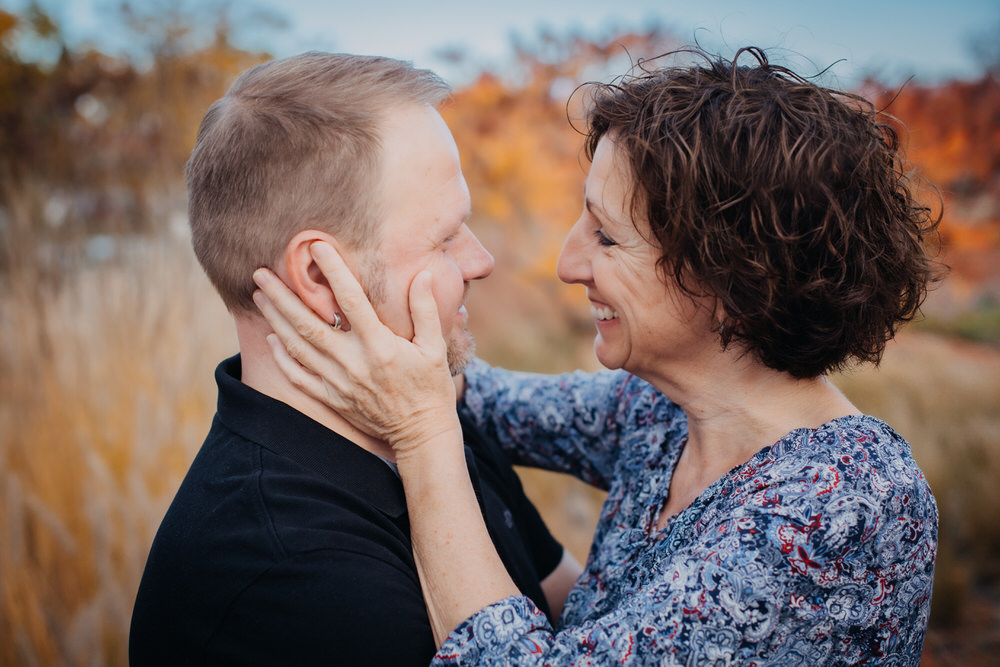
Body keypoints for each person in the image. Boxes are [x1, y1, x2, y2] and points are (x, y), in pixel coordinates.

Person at [252, 47, 941, 665]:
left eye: (607, 239)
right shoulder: (664, 413)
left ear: (733, 279)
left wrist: (423, 434)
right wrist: (357, 306)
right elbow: (483, 397)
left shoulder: (843, 509)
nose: (567, 262)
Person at [128, 52, 581, 667]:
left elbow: (580, 616)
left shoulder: (425, 420)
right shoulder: (294, 577)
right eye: (445, 237)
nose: (481, 262)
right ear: (320, 276)